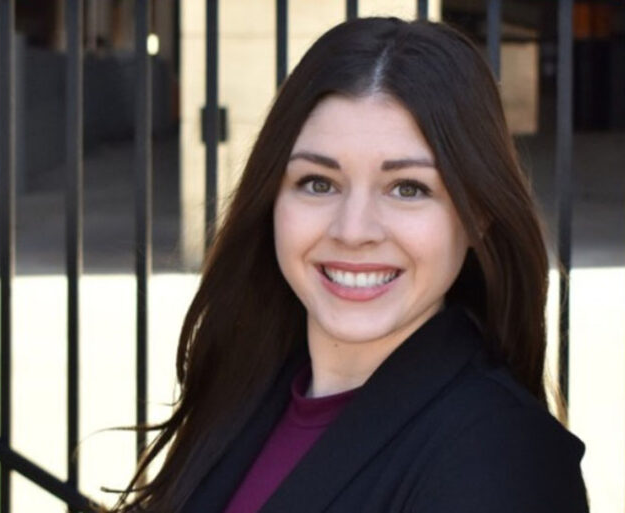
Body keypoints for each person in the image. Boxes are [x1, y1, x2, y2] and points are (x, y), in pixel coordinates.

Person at [111, 17, 588, 513]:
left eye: (409, 188)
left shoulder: (503, 458)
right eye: (319, 183)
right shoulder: (246, 392)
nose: (353, 230)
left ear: (478, 216)